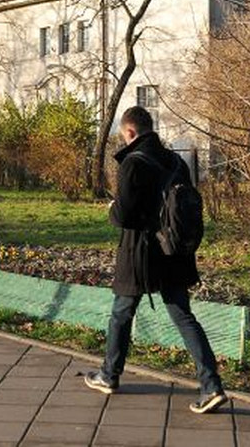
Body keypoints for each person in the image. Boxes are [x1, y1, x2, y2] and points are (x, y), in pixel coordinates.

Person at [84, 106, 227, 414]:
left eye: (123, 135)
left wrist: (111, 207)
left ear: (130, 132)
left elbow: (123, 215)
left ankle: (109, 375)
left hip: (141, 253)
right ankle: (211, 384)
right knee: (183, 316)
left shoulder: (133, 163)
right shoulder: (175, 160)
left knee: (121, 313)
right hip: (174, 252)